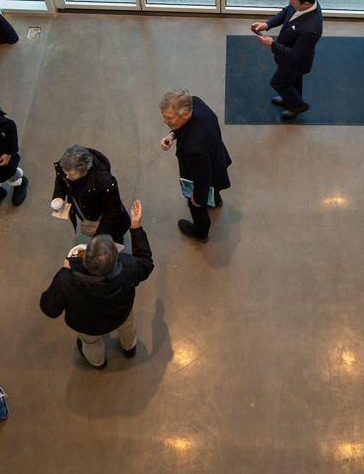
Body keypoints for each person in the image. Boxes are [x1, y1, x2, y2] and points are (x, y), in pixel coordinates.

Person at [40, 200, 153, 368]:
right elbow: (146, 262)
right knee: (127, 330)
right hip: (120, 315)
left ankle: (98, 362)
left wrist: (63, 271)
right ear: (115, 258)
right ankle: (129, 348)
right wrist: (135, 227)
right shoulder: (128, 269)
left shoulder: (66, 281)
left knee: (90, 344)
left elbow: (49, 309)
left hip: (87, 324)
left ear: (84, 257)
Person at [159, 90, 232, 242]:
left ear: (185, 114)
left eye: (169, 117)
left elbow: (202, 178)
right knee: (215, 185)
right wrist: (172, 135)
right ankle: (216, 201)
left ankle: (200, 232)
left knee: (197, 205)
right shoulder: (195, 102)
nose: (165, 121)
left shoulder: (194, 148)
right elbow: (185, 127)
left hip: (203, 171)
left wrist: (198, 200)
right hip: (217, 160)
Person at [251, 0, 322, 120]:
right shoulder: (304, 5)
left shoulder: (311, 29)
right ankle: (290, 99)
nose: (290, 4)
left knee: (278, 83)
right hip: (292, 60)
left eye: (293, 2)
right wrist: (267, 25)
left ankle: (297, 105)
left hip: (295, 63)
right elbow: (286, 12)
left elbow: (295, 55)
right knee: (294, 81)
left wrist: (272, 44)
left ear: (306, 4)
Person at [51, 145, 130, 243]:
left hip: (107, 222)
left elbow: (112, 212)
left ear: (84, 170)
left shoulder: (105, 183)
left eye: (71, 175)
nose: (67, 177)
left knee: (112, 241)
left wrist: (98, 238)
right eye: (65, 173)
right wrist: (58, 196)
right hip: (88, 210)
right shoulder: (68, 163)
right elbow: (61, 178)